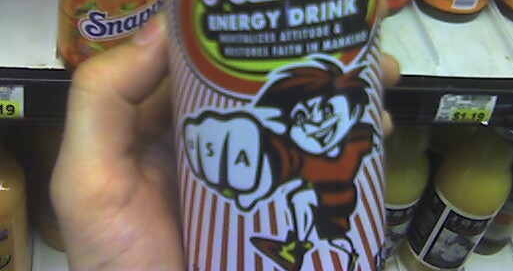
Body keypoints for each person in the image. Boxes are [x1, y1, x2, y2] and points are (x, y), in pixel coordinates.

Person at [50, 14, 400, 270]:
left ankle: (322, 248)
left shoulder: (359, 136)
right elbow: (274, 158)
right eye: (301, 116)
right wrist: (238, 151)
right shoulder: (295, 151)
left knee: (328, 224)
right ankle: (295, 247)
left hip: (342, 219)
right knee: (300, 198)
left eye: (326, 109)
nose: (317, 123)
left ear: (353, 108)